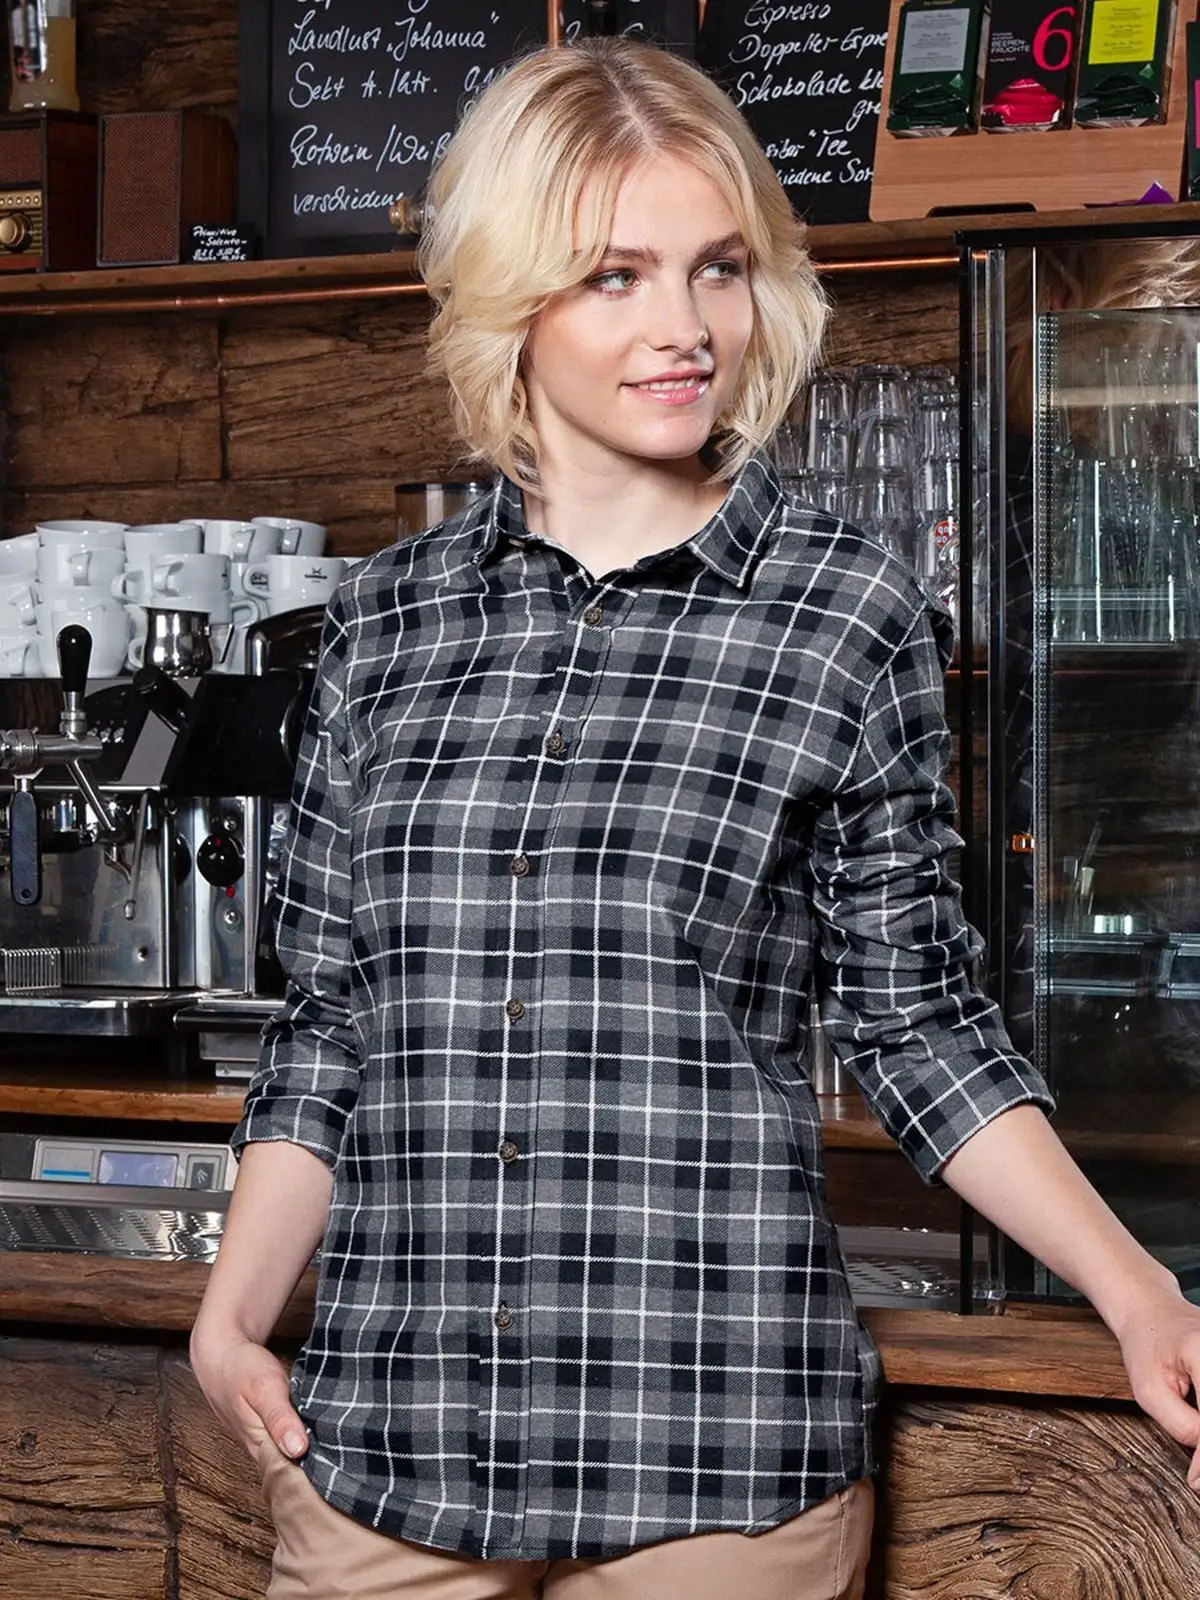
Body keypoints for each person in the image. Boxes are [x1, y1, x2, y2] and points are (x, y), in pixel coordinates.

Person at [190, 37, 1200, 1600]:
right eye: (615, 276)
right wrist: (231, 1312)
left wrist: (1139, 1293)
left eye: (717, 268)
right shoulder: (386, 623)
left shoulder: (845, 610)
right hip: (384, 1455)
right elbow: (331, 1027)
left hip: (712, 1464)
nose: (685, 328)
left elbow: (917, 1025)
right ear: (510, 301)